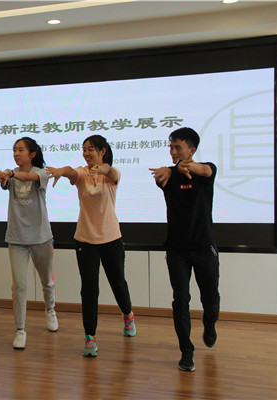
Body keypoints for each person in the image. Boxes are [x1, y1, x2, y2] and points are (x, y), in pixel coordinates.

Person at [46, 134, 136, 357]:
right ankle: (90, 337)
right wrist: (61, 171)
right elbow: (71, 171)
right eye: (84, 149)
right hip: (85, 240)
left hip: (111, 239)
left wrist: (101, 169)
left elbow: (110, 171)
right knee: (89, 289)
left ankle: (128, 315)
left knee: (118, 284)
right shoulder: (82, 173)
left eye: (91, 149)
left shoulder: (111, 175)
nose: (86, 153)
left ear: (102, 151)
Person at [150, 127, 219, 372]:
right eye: (171, 147)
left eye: (177, 147)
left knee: (210, 299)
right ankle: (186, 352)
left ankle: (209, 323)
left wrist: (180, 167)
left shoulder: (206, 171)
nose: (172, 151)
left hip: (204, 247)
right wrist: (172, 170)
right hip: (177, 250)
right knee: (180, 300)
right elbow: (162, 178)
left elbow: (205, 170)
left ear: (192, 149)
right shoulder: (167, 176)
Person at [0, 137, 57, 350]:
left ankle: (50, 310)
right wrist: (4, 178)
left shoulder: (42, 173)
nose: (16, 154)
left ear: (32, 154)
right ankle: (20, 330)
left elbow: (29, 177)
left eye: (21, 150)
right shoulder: (11, 174)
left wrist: (10, 174)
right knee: (19, 286)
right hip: (16, 238)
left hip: (41, 237)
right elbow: (6, 183)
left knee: (47, 281)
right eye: (14, 150)